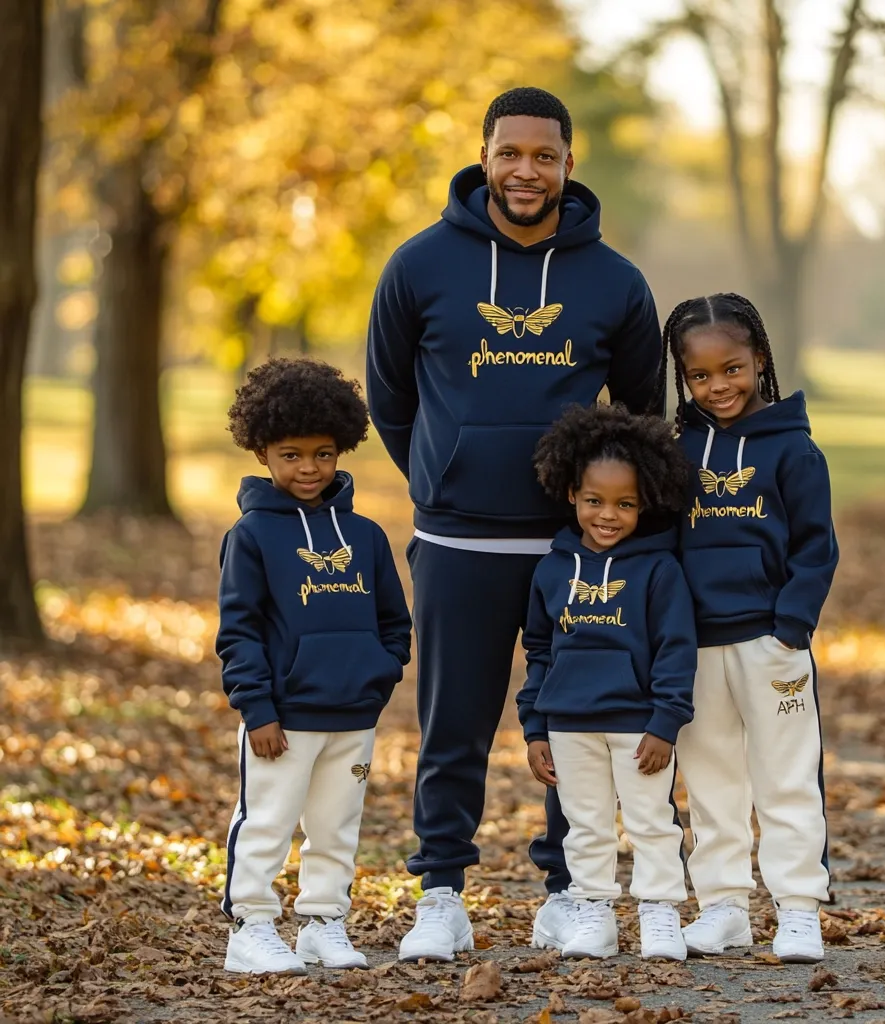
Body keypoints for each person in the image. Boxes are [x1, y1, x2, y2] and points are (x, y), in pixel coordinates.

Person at [366, 86, 663, 961]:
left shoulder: (616, 281)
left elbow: (642, 414)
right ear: (483, 157)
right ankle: (440, 894)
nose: (525, 171)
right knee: (452, 726)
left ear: (570, 162)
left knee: (577, 726)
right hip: (456, 540)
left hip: (577, 549)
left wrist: (602, 514)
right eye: (509, 153)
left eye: (543, 155)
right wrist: (441, 474)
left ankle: (571, 892)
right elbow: (390, 397)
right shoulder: (419, 265)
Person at [216, 359, 412, 975]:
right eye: (291, 455)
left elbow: (394, 622)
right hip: (282, 719)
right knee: (268, 823)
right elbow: (239, 632)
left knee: (337, 826)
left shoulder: (366, 535)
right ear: (263, 453)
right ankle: (251, 928)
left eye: (323, 454)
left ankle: (324, 923)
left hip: (352, 715)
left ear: (341, 449)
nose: (309, 468)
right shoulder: (251, 537)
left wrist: (376, 675)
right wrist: (258, 708)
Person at [662, 293, 839, 964]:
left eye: (731, 369)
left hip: (770, 641)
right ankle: (725, 908)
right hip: (696, 645)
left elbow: (816, 548)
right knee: (711, 781)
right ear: (684, 377)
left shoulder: (794, 449)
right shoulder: (677, 451)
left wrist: (791, 628)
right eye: (700, 375)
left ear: (760, 359)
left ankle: (798, 909)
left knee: (786, 776)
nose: (718, 386)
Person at [516, 403, 695, 961]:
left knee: (651, 822)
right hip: (569, 725)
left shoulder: (659, 570)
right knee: (585, 826)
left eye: (625, 504)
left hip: (638, 725)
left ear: (645, 503)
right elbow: (539, 651)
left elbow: (675, 649)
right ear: (572, 494)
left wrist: (666, 722)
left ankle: (660, 913)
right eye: (594, 500)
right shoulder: (552, 569)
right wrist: (535, 727)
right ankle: (593, 914)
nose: (608, 515)